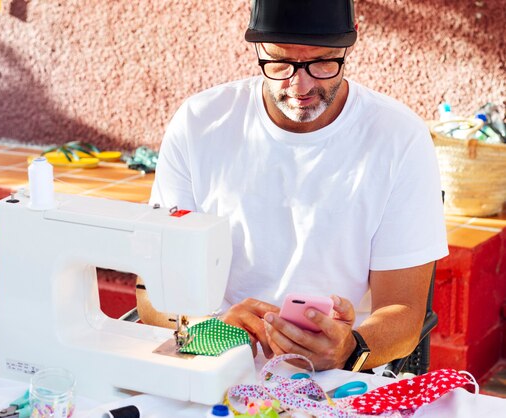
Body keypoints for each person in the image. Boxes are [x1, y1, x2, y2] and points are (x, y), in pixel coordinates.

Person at [136, 0, 448, 372]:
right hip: (212, 359)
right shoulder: (199, 123)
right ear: (256, 47)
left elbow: (405, 313)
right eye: (280, 63)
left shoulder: (399, 138)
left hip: (335, 378)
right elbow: (152, 294)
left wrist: (350, 349)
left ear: (350, 45)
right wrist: (206, 331)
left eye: (322, 63)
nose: (300, 85)